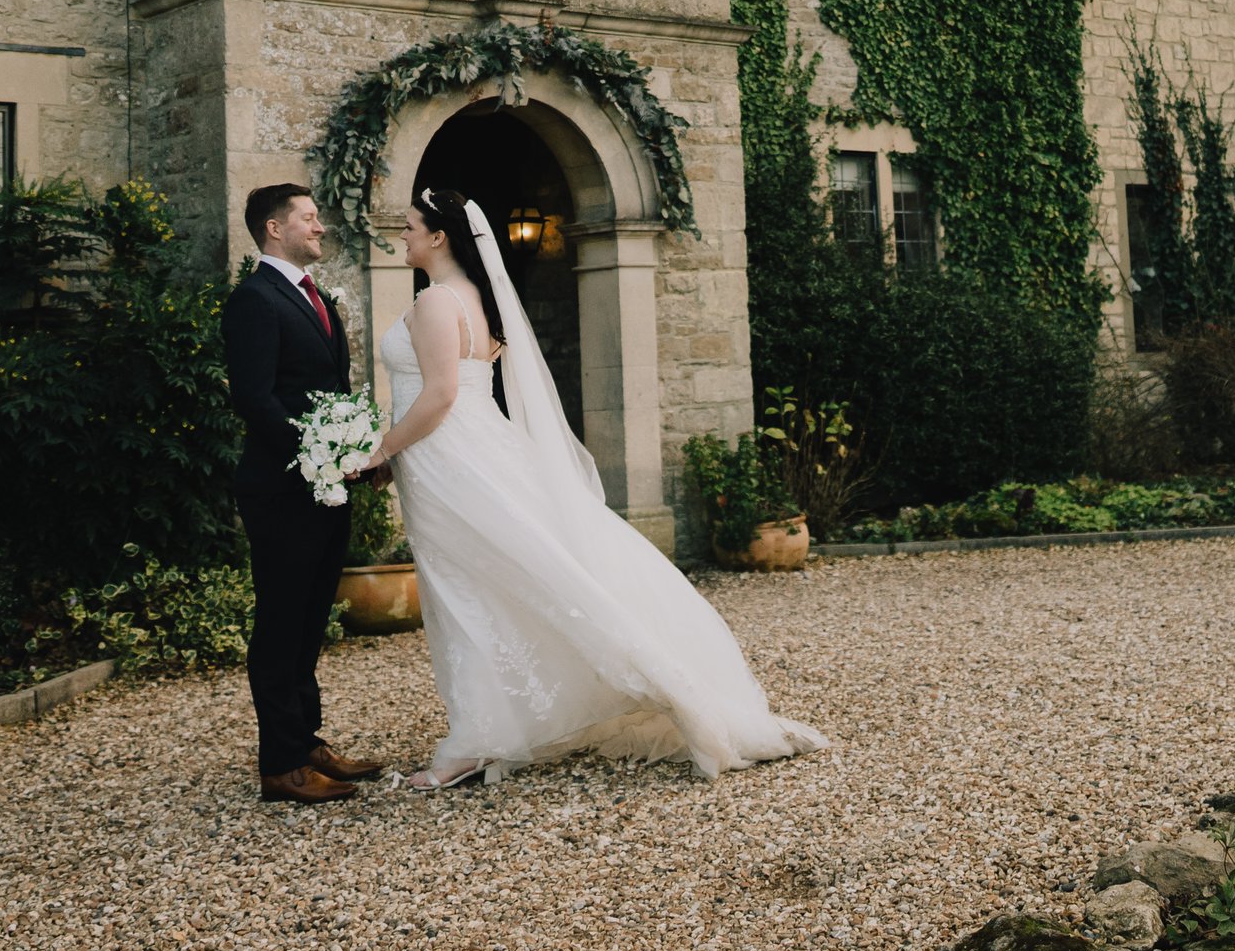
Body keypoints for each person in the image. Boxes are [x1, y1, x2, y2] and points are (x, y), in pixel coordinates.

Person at [367, 185, 828, 789]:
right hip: (468, 452)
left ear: (437, 236)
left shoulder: (435, 304)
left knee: (467, 590)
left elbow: (440, 395)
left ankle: (476, 739)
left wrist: (382, 448)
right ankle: (493, 725)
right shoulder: (475, 298)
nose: (399, 236)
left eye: (408, 227)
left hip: (452, 459)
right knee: (495, 583)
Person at [221, 183, 389, 804]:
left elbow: (329, 394)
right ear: (274, 228)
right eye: (309, 219)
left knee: (312, 617)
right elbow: (255, 399)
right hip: (281, 490)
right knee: (281, 623)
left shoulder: (315, 296)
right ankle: (282, 765)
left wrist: (351, 454)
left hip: (324, 488)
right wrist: (315, 457)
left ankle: (307, 740)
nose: (320, 228)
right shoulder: (255, 300)